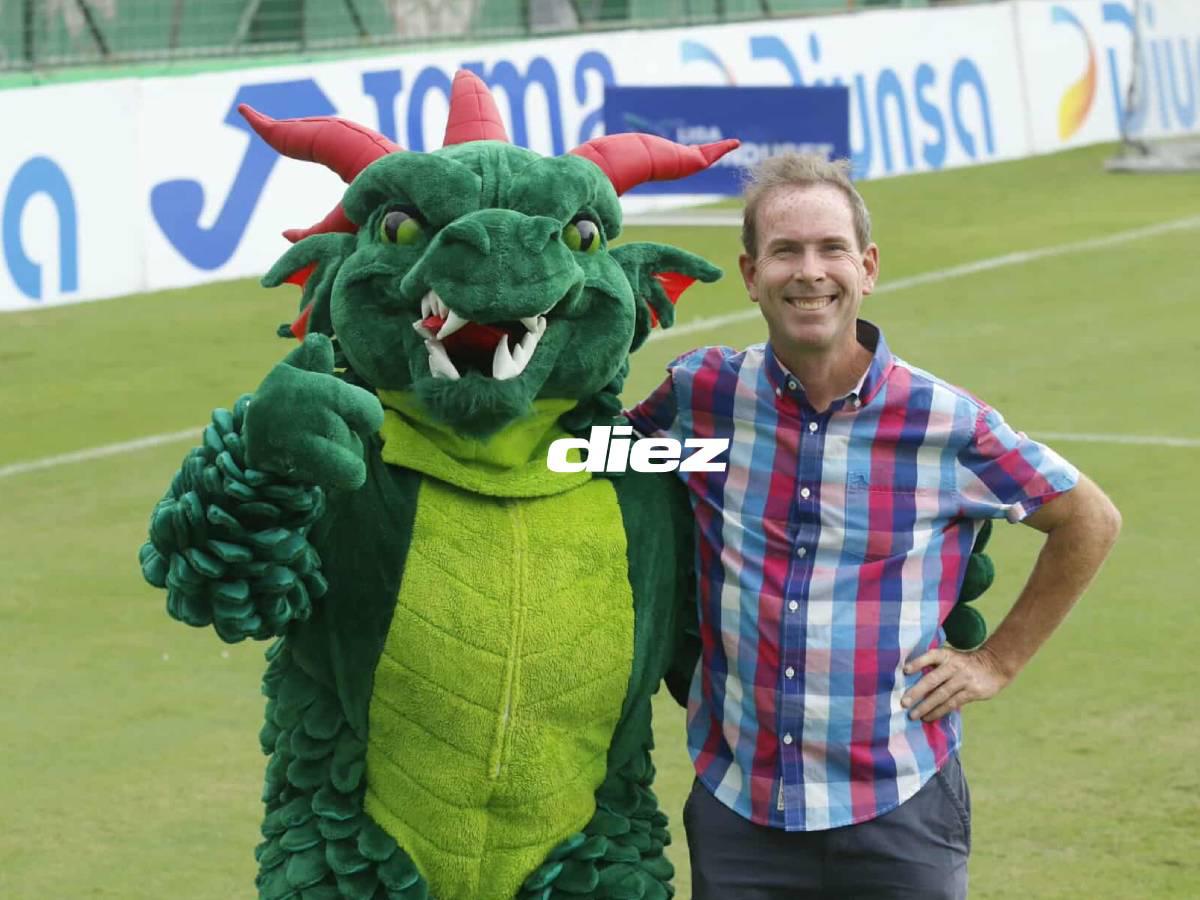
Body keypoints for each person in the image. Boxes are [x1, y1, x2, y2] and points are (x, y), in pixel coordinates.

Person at [625, 153, 1121, 899]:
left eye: (830, 249)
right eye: (786, 251)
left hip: (900, 807)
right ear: (751, 272)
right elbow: (604, 461)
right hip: (740, 810)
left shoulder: (944, 424)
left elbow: (1088, 517)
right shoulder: (704, 397)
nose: (809, 271)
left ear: (868, 267)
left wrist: (996, 662)